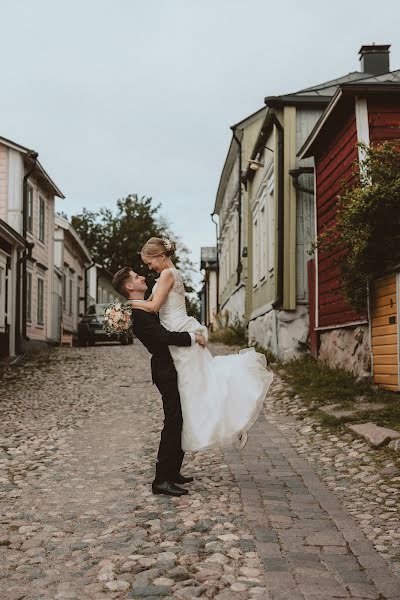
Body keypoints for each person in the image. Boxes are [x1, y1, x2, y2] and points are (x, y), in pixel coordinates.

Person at [126, 237, 273, 453]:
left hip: (177, 329)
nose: (150, 267)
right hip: (176, 327)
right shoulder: (170, 274)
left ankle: (231, 423)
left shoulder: (167, 274)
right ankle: (227, 423)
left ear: (161, 256)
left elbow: (155, 306)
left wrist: (128, 305)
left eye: (150, 262)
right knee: (197, 387)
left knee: (197, 388)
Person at [112, 267, 207, 497]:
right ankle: (161, 479)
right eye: (136, 277)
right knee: (173, 420)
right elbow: (163, 337)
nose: (142, 277)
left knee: (179, 418)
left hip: (172, 366)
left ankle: (173, 472)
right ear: (129, 287)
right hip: (165, 370)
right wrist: (193, 337)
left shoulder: (145, 308)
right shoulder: (139, 315)